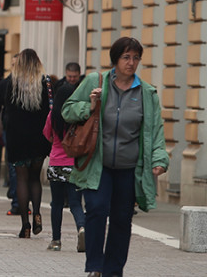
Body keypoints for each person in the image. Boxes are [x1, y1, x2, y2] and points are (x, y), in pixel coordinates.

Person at [62, 37, 169, 277]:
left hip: (129, 168)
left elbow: (155, 132)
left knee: (122, 220)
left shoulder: (147, 93)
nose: (131, 63)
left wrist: (160, 160)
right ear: (115, 59)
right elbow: (67, 110)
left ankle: (113, 271)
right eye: (126, 57)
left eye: (135, 58)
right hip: (97, 165)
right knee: (97, 209)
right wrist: (89, 106)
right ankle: (94, 266)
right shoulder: (94, 81)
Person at [0, 49, 52, 238]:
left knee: (21, 179)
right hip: (39, 137)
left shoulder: (7, 83)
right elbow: (52, 110)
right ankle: (38, 213)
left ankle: (25, 224)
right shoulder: (45, 82)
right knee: (35, 178)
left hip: (16, 137)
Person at [43, 71, 86, 251]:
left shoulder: (52, 116)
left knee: (57, 204)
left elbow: (47, 135)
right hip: (74, 165)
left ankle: (56, 241)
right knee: (76, 203)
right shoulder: (77, 117)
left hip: (56, 164)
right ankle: (82, 228)